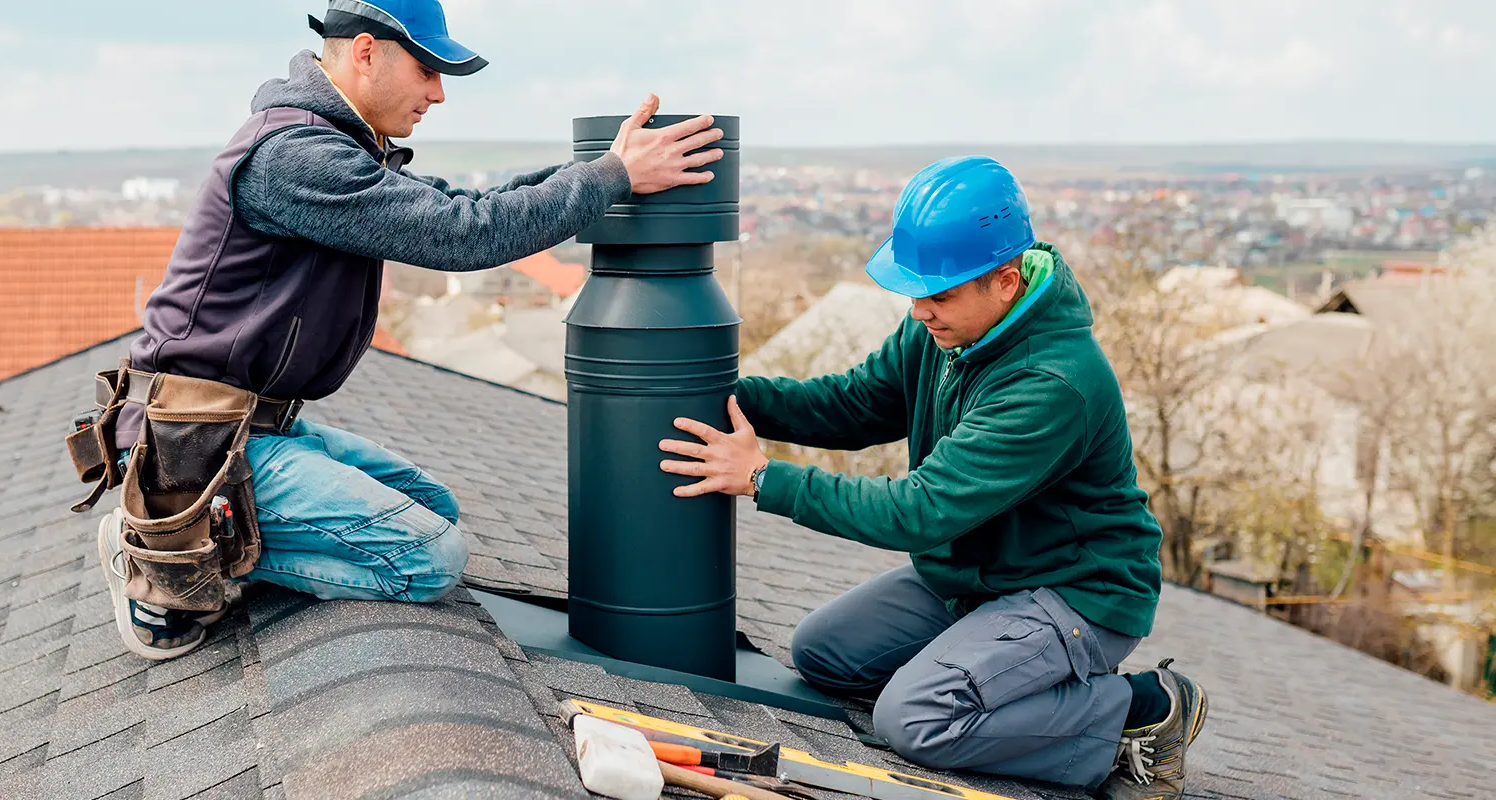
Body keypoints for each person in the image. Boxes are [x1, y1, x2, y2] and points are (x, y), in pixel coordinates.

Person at [92, 0, 723, 662]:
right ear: (365, 51)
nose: (438, 93)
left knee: (433, 507)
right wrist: (613, 176)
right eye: (427, 69)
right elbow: (461, 235)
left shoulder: (335, 145)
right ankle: (165, 553)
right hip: (196, 441)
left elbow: (460, 206)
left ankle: (211, 535)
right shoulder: (294, 157)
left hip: (257, 426)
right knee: (428, 557)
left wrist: (601, 170)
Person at [659, 157, 1206, 799]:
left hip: (1073, 594)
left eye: (938, 295)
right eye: (915, 292)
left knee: (913, 720)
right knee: (822, 653)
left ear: (1005, 283)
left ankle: (1139, 712)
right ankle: (993, 676)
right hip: (977, 576)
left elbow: (919, 512)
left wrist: (761, 478)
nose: (920, 311)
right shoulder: (948, 327)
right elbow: (856, 404)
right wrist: (730, 397)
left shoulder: (1053, 384)